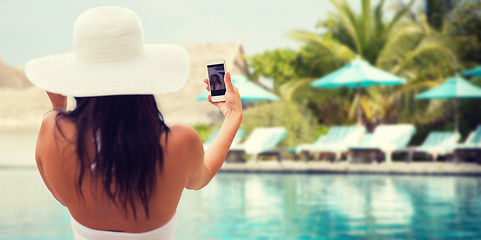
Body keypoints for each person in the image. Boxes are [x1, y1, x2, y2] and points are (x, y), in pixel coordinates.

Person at [24, 6, 242, 240]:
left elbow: (62, 193)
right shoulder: (180, 142)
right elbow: (203, 175)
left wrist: (58, 108)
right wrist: (233, 117)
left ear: (81, 78)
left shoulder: (53, 131)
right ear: (143, 74)